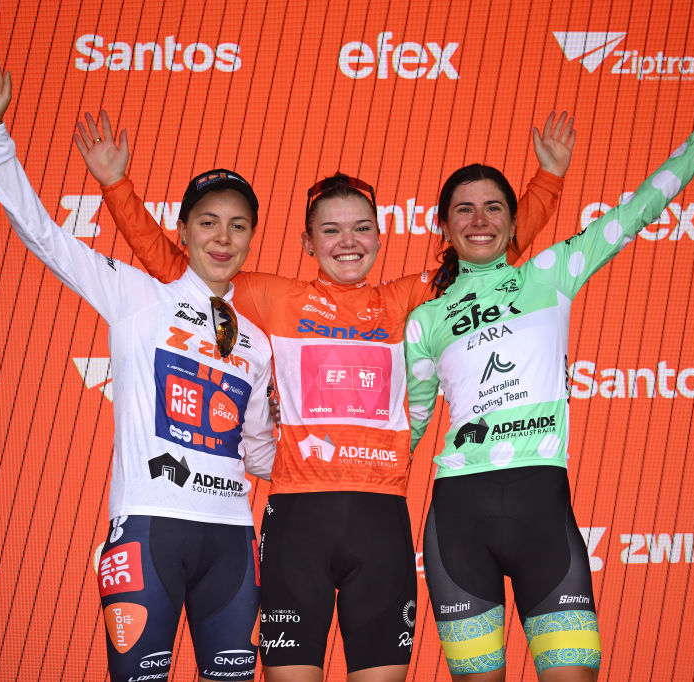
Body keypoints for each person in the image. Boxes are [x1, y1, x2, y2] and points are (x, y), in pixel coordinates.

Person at [74, 108, 575, 682]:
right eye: (331, 230)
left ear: (381, 237)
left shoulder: (404, 300)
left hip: (381, 518)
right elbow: (174, 269)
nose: (348, 242)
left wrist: (547, 182)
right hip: (296, 522)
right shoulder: (270, 297)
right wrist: (117, 188)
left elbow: (486, 251)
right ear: (308, 242)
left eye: (362, 227)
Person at [404, 88, 694, 681]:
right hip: (457, 515)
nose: (480, 221)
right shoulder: (426, 318)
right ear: (443, 225)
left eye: (494, 207)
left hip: (543, 511)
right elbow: (408, 426)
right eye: (464, 210)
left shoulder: (553, 271)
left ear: (516, 220)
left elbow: (638, 210)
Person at [0, 55, 275, 682]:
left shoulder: (260, 339)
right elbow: (46, 237)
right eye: (208, 222)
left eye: (238, 225)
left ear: (251, 238)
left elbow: (261, 453)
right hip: (147, 529)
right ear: (182, 231)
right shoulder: (137, 294)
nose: (223, 238)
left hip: (231, 539)